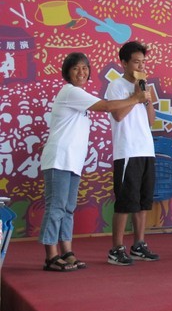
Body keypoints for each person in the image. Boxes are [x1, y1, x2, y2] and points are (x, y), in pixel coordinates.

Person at [39, 52, 149, 272]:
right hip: (59, 159)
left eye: (85, 68)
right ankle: (51, 256)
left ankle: (67, 252)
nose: (82, 72)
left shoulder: (80, 94)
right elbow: (108, 107)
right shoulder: (71, 92)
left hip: (72, 161)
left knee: (68, 209)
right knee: (56, 208)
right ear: (67, 73)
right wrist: (136, 98)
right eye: (76, 68)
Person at [106, 41, 159, 265]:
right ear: (124, 63)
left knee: (143, 201)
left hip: (146, 149)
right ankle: (116, 248)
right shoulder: (116, 86)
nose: (140, 65)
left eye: (143, 61)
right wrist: (135, 97)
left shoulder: (144, 86)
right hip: (127, 150)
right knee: (126, 201)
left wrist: (145, 97)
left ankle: (139, 244)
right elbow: (118, 116)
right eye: (136, 61)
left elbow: (151, 121)